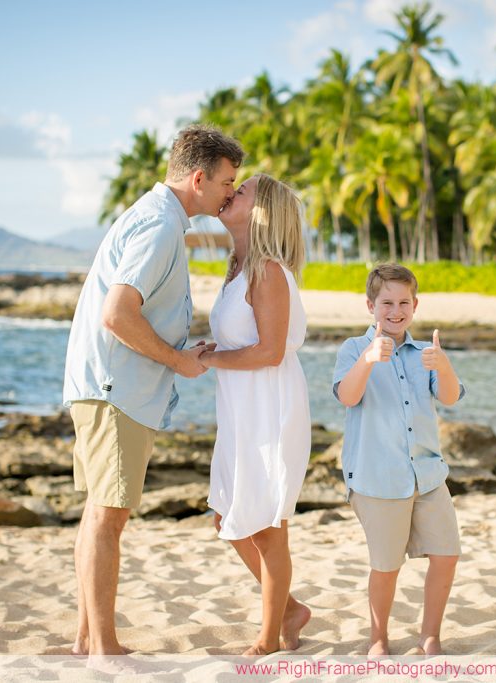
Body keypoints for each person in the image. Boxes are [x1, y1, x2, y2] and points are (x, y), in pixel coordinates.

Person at [62, 124, 244, 665]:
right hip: (117, 389)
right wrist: (179, 360)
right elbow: (117, 314)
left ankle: (85, 639)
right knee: (108, 517)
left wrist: (182, 346)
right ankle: (104, 647)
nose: (231, 193)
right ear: (198, 178)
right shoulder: (162, 227)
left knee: (99, 512)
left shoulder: (157, 215)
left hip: (107, 385)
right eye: (227, 182)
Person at [197, 173, 313, 656]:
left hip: (269, 409)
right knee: (226, 516)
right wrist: (212, 353)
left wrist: (207, 359)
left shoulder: (266, 269)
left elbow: (268, 352)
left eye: (240, 190)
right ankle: (289, 609)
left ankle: (268, 639)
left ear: (262, 211)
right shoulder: (237, 267)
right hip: (241, 411)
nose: (229, 193)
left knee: (267, 527)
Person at [332, 263, 464, 656]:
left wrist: (444, 365)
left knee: (446, 555)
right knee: (386, 566)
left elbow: (452, 397)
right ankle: (378, 638)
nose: (395, 310)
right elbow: (348, 397)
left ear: (415, 305)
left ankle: (430, 636)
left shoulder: (426, 352)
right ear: (370, 305)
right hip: (378, 478)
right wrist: (370, 358)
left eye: (403, 302)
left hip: (426, 475)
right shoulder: (354, 349)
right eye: (386, 302)